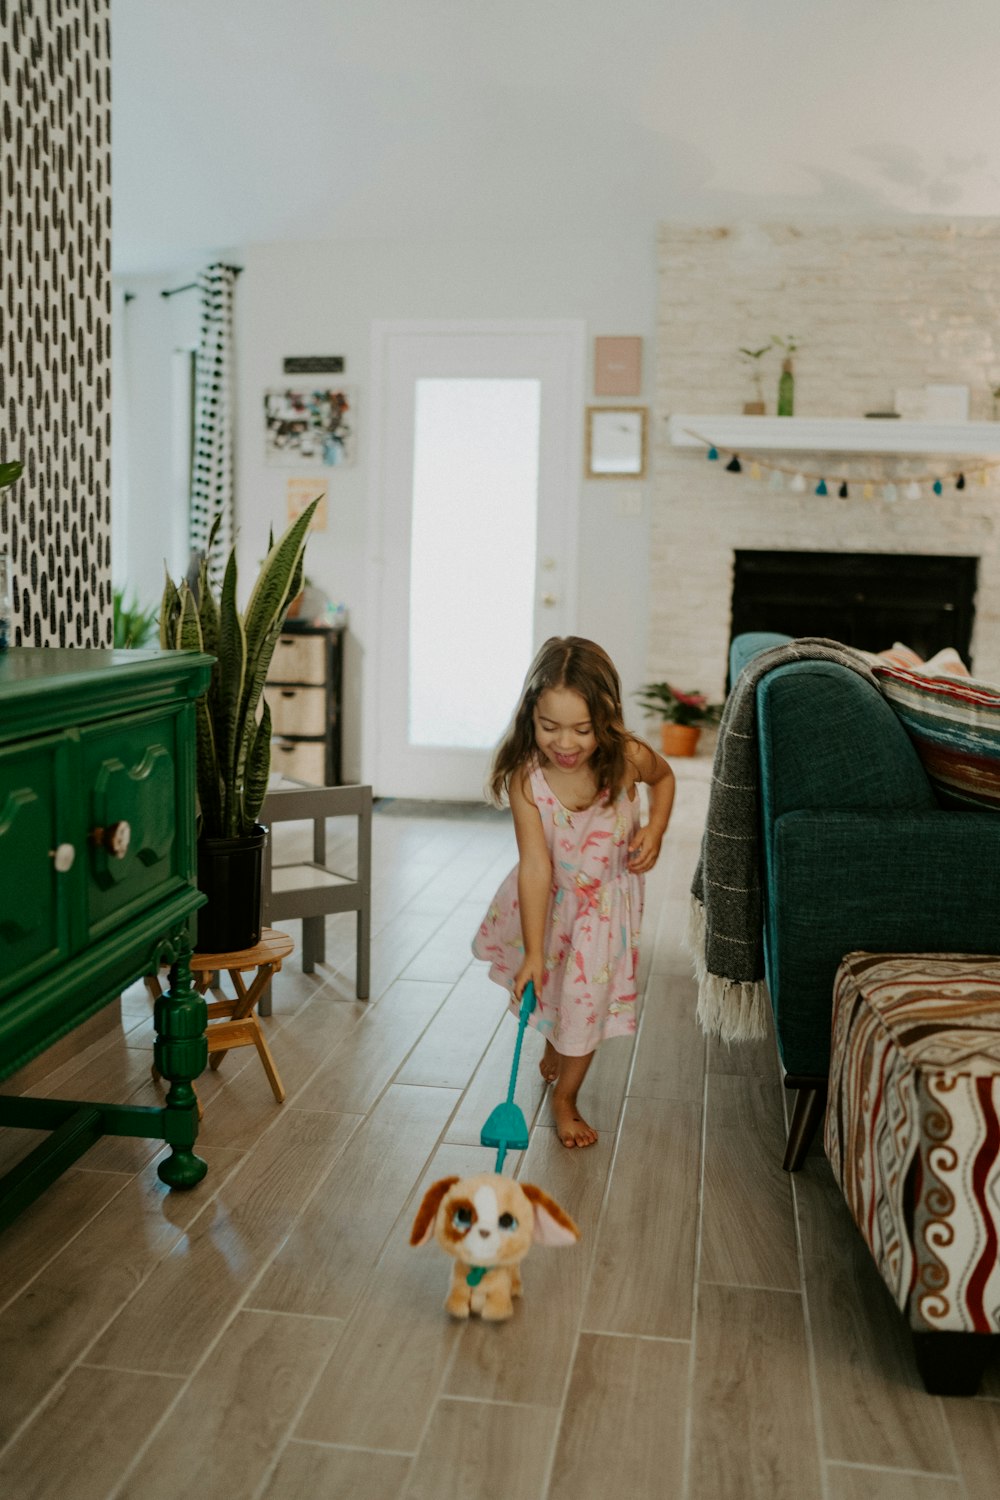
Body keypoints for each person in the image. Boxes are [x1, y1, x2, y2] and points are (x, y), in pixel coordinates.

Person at [472, 637, 675, 1149]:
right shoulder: (528, 781)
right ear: (529, 717)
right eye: (549, 727)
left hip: (604, 911)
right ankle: (552, 1038)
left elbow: (665, 777)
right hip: (549, 899)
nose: (565, 743)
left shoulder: (627, 757)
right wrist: (535, 952)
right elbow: (536, 865)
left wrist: (654, 829)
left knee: (584, 1004)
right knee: (552, 978)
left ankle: (565, 1098)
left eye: (582, 729)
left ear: (605, 719)